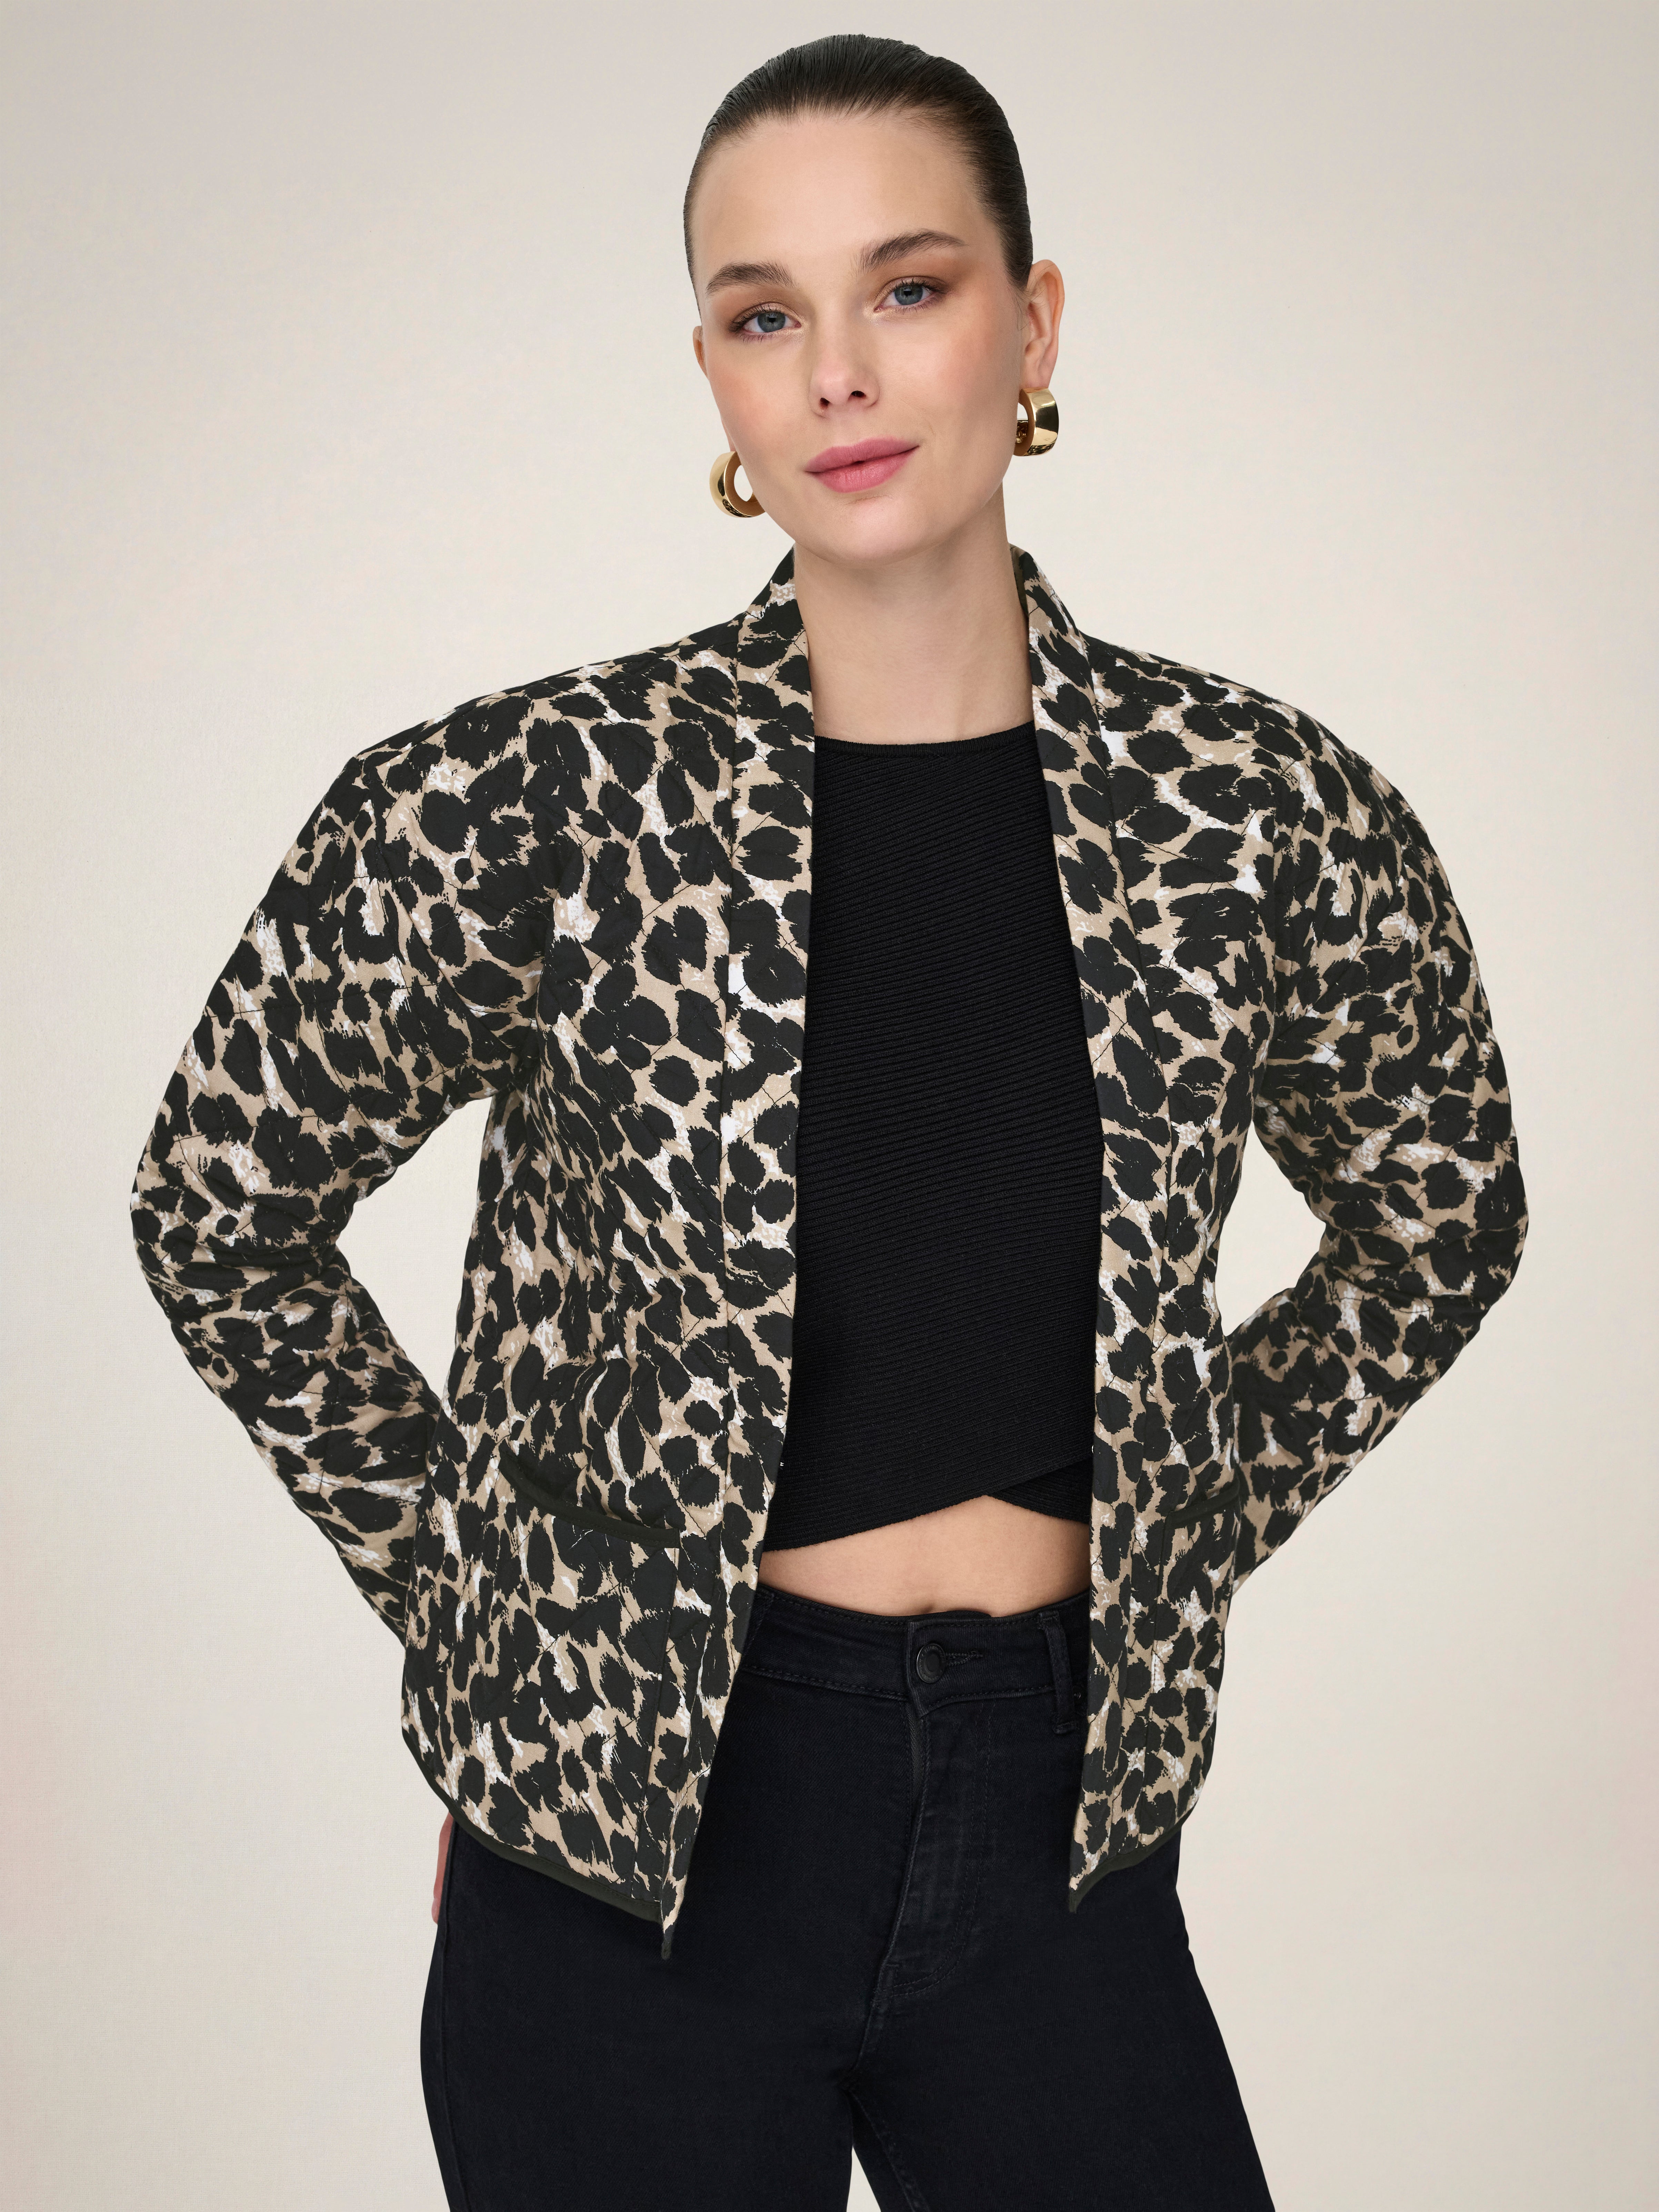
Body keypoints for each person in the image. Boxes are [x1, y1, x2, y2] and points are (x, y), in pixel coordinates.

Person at [130, 32, 1527, 2212]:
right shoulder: (530, 802)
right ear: (712, 373)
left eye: (911, 288)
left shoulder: (1257, 814)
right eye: (765, 315)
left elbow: (1443, 1215)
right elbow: (221, 1211)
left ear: (1033, 326)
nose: (840, 374)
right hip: (632, 1872)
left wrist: (1182, 1517)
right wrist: (503, 1612)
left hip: (1061, 1824)